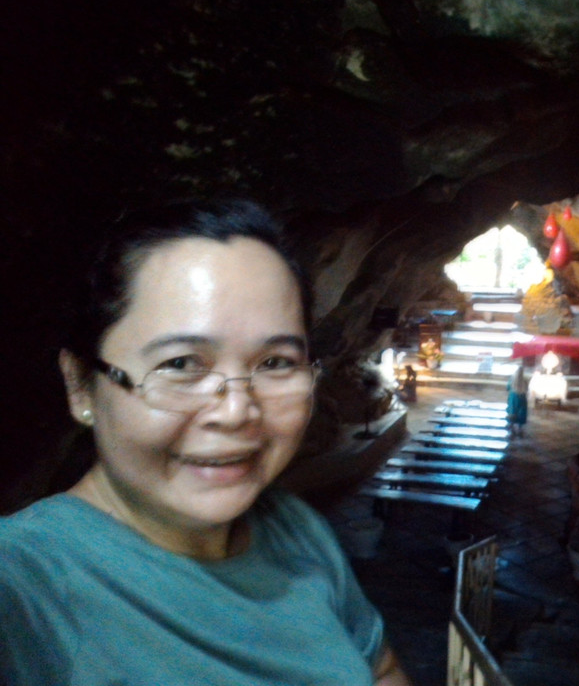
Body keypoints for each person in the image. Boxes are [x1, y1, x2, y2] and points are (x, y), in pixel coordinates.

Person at [0, 199, 411, 686]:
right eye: (179, 364)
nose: (236, 412)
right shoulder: (25, 581)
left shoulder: (295, 528)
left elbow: (379, 669)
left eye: (276, 362)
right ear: (80, 386)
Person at [506, 363, 529, 436]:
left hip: (513, 397)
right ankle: (520, 427)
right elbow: (527, 388)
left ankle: (511, 425)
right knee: (521, 412)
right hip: (522, 397)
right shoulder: (525, 380)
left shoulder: (512, 379)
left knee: (513, 410)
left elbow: (508, 387)